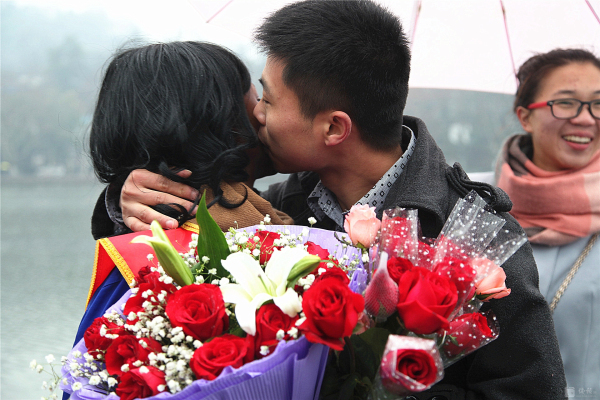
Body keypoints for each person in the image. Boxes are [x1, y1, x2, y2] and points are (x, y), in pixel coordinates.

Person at [98, 2, 566, 399]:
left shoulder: (472, 232)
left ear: (334, 128)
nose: (254, 115)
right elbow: (186, 228)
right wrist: (122, 202)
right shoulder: (277, 209)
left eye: (268, 99)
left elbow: (528, 388)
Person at [77, 41, 292, 347]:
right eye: (259, 101)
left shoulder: (148, 239)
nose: (262, 115)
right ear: (223, 125)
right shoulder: (189, 252)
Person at [495, 48, 600, 397]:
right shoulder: (475, 206)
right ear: (525, 117)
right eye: (566, 103)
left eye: (598, 103)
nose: (586, 119)